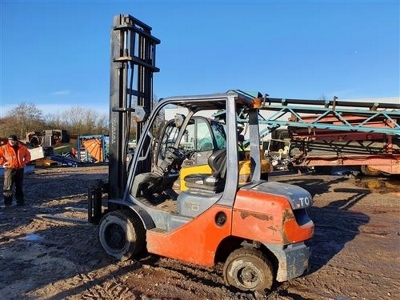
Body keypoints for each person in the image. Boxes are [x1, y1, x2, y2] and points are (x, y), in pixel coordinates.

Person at [0, 135, 31, 206]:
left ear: (16, 141)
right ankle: (8, 204)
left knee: (19, 186)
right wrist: (2, 162)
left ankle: (20, 202)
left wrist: (25, 161)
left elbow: (28, 155)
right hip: (9, 169)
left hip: (20, 169)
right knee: (8, 186)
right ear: (8, 140)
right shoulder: (3, 148)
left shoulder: (23, 148)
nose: (12, 142)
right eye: (10, 140)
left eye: (13, 140)